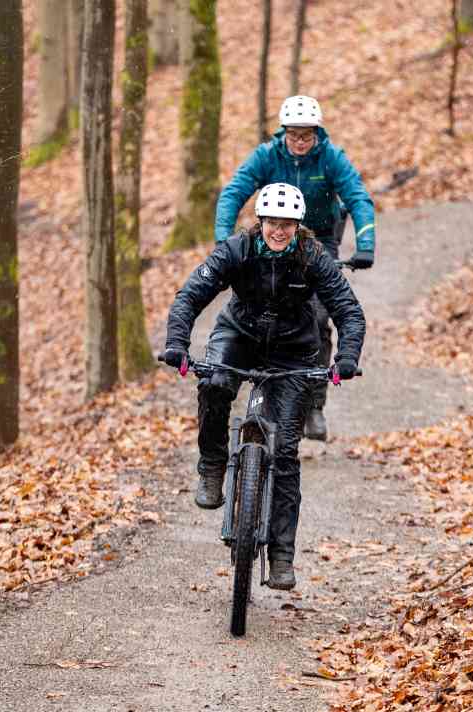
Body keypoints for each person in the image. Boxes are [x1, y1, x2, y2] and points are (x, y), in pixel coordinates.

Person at [161, 183, 366, 590]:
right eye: (273, 222)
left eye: (287, 224)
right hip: (239, 335)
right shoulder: (237, 249)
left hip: (295, 350)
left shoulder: (312, 256)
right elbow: (190, 296)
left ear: (297, 225)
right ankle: (213, 465)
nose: (279, 230)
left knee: (286, 451)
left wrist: (347, 357)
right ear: (261, 222)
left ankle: (281, 555)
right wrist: (176, 343)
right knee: (215, 384)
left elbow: (348, 309)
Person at [214, 95, 375, 441]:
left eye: (307, 135)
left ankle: (314, 403)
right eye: (294, 135)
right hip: (274, 237)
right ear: (283, 133)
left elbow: (358, 197)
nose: (301, 143)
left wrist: (365, 245)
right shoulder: (266, 156)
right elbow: (233, 193)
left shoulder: (331, 157)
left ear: (318, 133)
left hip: (319, 243)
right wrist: (221, 238)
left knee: (317, 317)